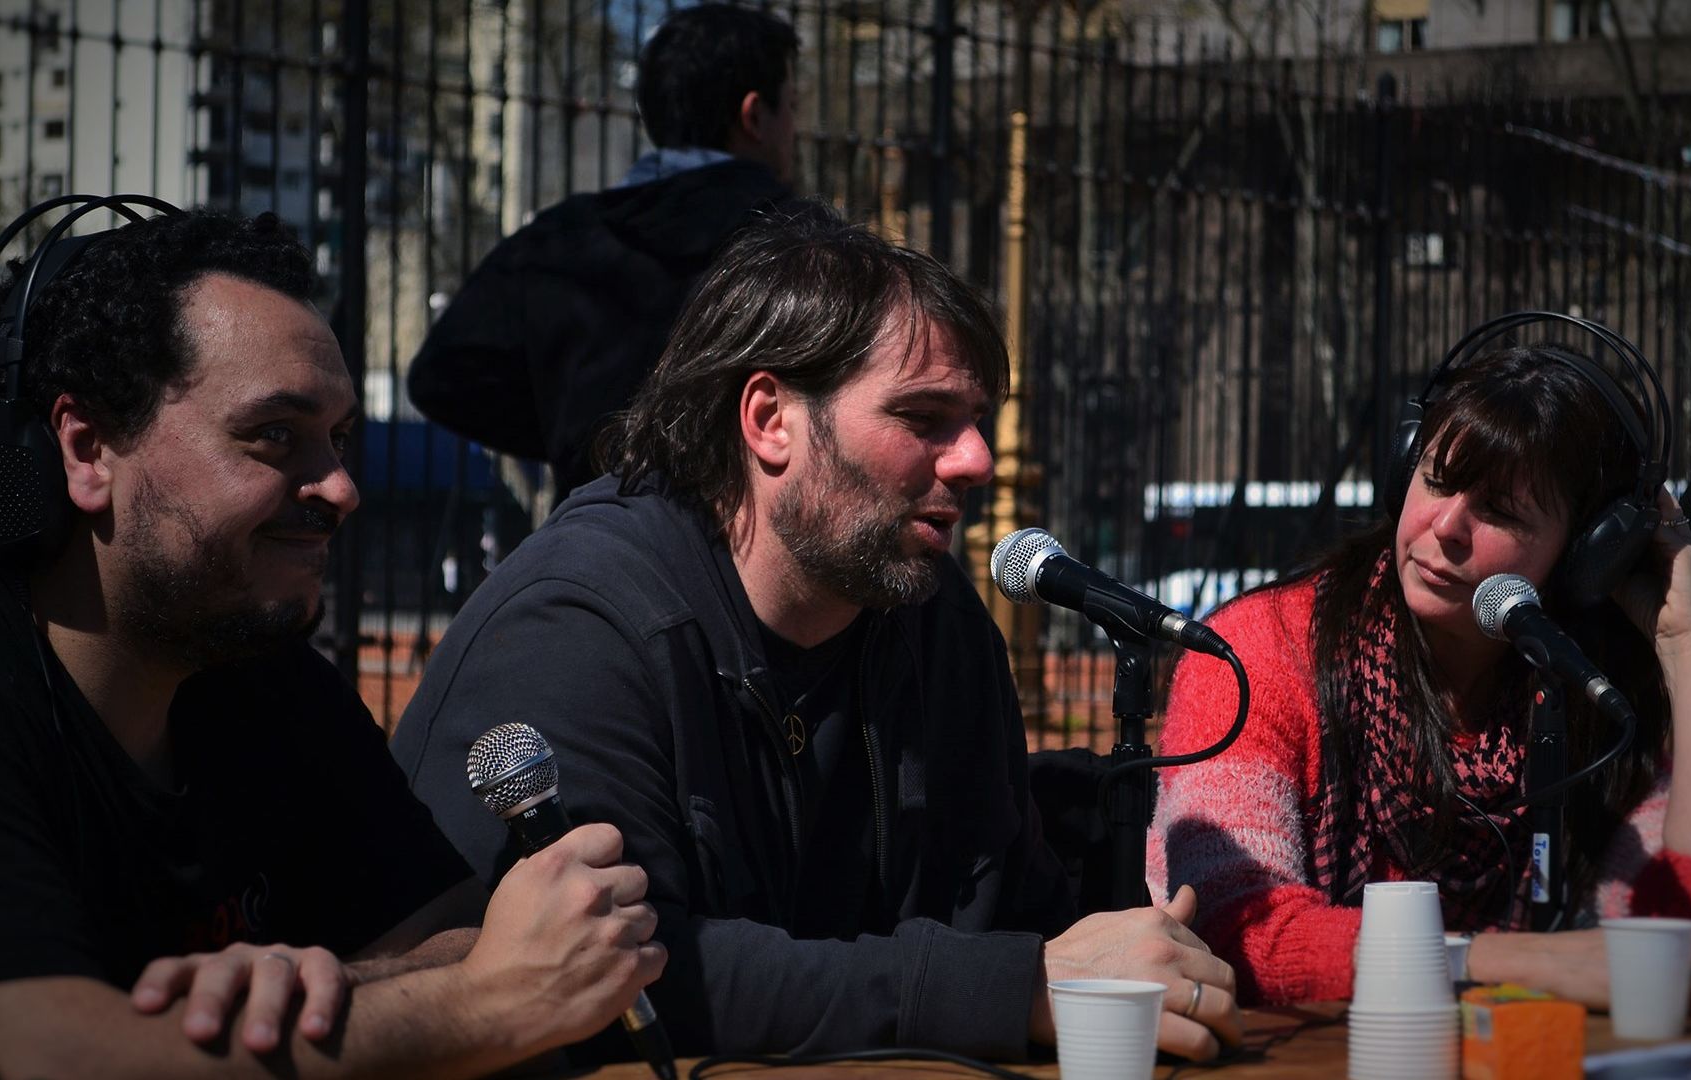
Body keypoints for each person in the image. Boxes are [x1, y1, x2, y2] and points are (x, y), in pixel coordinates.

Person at [392, 209, 1243, 1063]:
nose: (977, 459)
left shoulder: (935, 619)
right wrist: (1011, 987)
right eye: (925, 417)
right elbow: (630, 976)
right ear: (770, 420)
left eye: (977, 418)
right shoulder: (579, 628)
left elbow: (1013, 909)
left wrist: (1120, 957)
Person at [0, 206, 665, 1077]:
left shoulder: (258, 670)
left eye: (339, 438)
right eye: (275, 434)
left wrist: (326, 994)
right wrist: (483, 1007)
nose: (342, 486)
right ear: (87, 449)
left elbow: (456, 931)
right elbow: (52, 1058)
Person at [1148, 341, 1691, 1007]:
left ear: (1583, 558)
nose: (1447, 526)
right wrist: (1502, 960)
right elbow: (1235, 928)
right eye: (1436, 478)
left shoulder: (1584, 694)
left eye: (1500, 511)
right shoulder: (1257, 650)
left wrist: (1685, 643)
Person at [407, 3, 798, 492]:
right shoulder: (801, 242)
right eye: (792, 108)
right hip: (747, 547)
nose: (794, 132)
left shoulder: (561, 240)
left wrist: (579, 435)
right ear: (755, 116)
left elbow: (443, 376)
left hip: (598, 538)